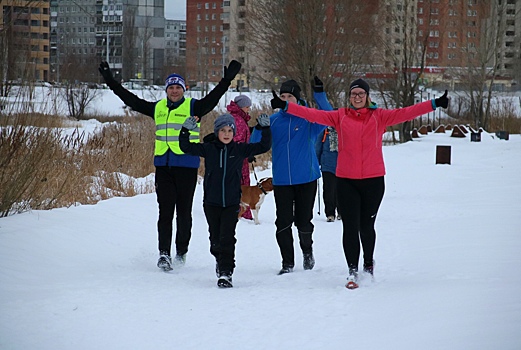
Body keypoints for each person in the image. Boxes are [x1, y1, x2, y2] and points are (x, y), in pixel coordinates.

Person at [271, 78, 449, 288]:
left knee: (366, 226)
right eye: (353, 94)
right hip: (346, 181)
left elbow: (406, 112)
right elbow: (313, 114)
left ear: (367, 97)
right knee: (350, 226)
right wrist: (286, 106)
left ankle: (368, 264)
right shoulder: (340, 116)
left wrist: (435, 103)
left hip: (373, 181)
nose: (357, 97)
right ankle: (352, 270)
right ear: (349, 97)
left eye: (360, 94)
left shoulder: (379, 116)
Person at [98, 60, 242, 271]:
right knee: (165, 212)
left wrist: (227, 80)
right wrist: (111, 82)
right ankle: (164, 253)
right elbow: (132, 100)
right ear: (166, 90)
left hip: (186, 166)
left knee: (183, 212)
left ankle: (181, 250)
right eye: (171, 88)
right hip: (163, 166)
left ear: (184, 90)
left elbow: (214, 98)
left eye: (178, 88)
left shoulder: (194, 106)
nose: (174, 91)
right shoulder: (157, 108)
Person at [179, 113, 271, 288]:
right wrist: (185, 130)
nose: (227, 134)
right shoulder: (209, 148)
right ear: (217, 132)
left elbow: (263, 146)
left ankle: (226, 272)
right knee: (215, 239)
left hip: (231, 202)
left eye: (230, 130)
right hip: (211, 202)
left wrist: (265, 128)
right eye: (223, 130)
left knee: (227, 237)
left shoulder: (239, 149)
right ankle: (219, 259)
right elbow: (185, 147)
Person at [269, 79, 326, 275]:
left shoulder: (308, 120)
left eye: (290, 97)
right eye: (283, 97)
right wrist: (259, 129)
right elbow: (257, 144)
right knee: (283, 222)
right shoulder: (274, 121)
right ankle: (287, 263)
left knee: (303, 221)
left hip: (306, 178)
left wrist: (319, 94)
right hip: (282, 180)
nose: (286, 100)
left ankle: (307, 250)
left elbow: (328, 116)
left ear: (298, 99)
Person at [312, 76, 340, 222]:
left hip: (344, 165)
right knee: (329, 190)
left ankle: (341, 211)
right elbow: (318, 145)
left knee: (341, 190)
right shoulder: (326, 129)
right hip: (328, 164)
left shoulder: (345, 129)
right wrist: (315, 163)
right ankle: (330, 213)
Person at [226, 94, 254, 220]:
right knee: (242, 186)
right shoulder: (238, 120)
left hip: (240, 159)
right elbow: (236, 142)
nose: (248, 109)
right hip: (238, 161)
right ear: (242, 107)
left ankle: (241, 212)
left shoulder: (238, 119)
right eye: (247, 107)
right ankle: (242, 214)